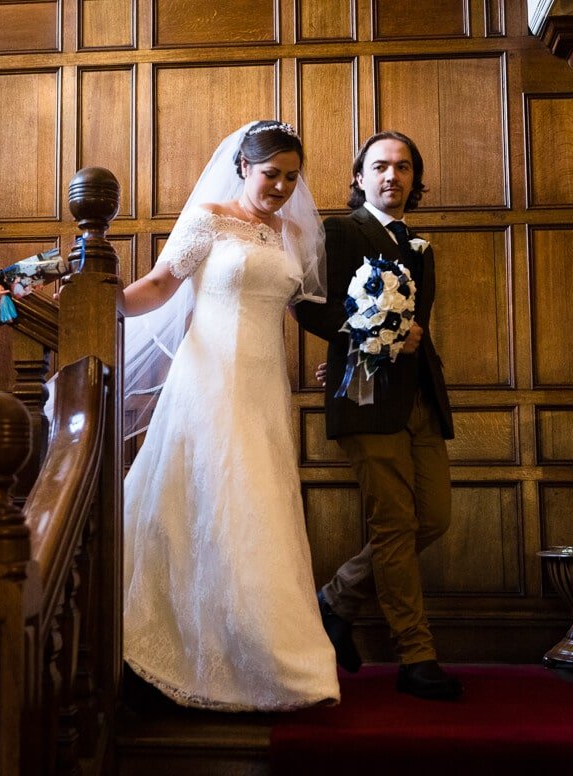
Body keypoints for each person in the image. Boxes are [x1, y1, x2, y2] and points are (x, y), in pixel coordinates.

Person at [121, 120, 338, 711]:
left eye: (292, 177)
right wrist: (105, 299)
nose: (282, 187)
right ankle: (192, 651)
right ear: (244, 166)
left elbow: (311, 310)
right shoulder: (209, 218)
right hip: (210, 378)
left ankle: (269, 655)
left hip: (267, 386)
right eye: (272, 175)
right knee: (204, 501)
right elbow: (161, 285)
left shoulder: (294, 232)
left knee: (259, 507)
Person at [295, 130, 460, 701]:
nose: (394, 176)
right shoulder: (340, 232)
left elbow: (421, 326)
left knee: (433, 518)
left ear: (415, 179)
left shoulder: (420, 244)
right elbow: (309, 305)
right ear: (361, 177)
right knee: (393, 527)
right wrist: (371, 332)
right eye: (381, 167)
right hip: (366, 400)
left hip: (421, 402)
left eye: (405, 168)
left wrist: (406, 336)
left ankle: (336, 597)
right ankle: (416, 657)